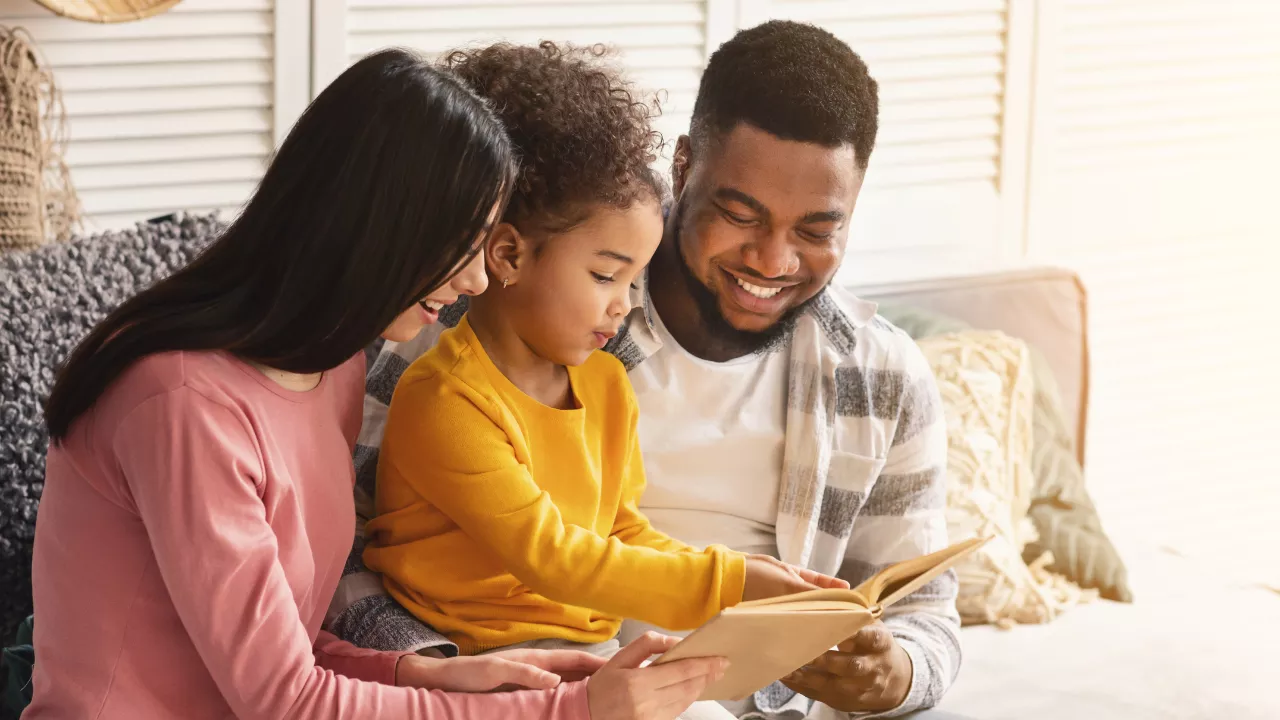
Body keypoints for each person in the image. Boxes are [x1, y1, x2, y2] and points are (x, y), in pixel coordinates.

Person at [26, 48, 726, 720]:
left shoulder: (330, 371)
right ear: (381, 227)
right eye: (464, 242)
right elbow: (284, 702)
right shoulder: (183, 405)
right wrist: (565, 709)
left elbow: (277, 654)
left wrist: (416, 671)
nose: (477, 280)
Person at [333, 21, 962, 719]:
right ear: (684, 166)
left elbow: (927, 616)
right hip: (528, 683)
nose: (773, 261)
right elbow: (340, 550)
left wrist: (895, 674)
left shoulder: (881, 377)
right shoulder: (467, 307)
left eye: (816, 231)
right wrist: (455, 682)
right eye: (739, 213)